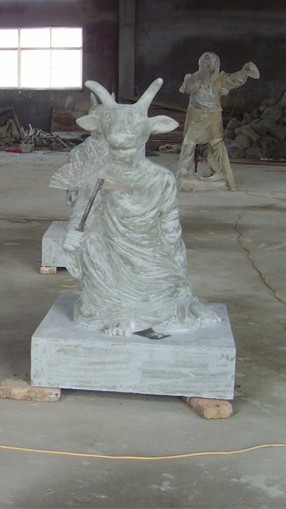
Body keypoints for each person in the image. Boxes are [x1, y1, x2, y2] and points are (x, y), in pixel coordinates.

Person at [60, 79, 222, 336]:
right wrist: (72, 241)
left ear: (149, 131)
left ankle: (142, 314)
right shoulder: (99, 177)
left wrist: (177, 268)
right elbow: (82, 217)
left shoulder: (162, 179)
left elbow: (170, 229)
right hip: (111, 252)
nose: (121, 141)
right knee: (92, 252)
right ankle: (117, 313)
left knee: (170, 291)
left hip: (150, 254)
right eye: (116, 137)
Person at [176, 52, 259, 190]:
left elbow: (233, 79)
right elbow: (188, 88)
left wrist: (244, 72)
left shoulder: (220, 79)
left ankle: (217, 172)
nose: (207, 64)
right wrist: (200, 75)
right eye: (205, 61)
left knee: (215, 144)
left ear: (215, 64)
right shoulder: (192, 78)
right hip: (196, 116)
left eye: (210, 62)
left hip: (213, 116)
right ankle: (184, 173)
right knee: (189, 143)